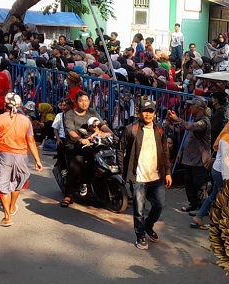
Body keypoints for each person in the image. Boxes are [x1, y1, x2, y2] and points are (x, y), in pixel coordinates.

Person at [117, 99, 172, 250]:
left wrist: (167, 172)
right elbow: (120, 149)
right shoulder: (131, 129)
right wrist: (124, 171)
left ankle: (148, 226)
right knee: (139, 209)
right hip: (138, 177)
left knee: (159, 204)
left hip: (156, 177)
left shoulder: (159, 130)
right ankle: (140, 235)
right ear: (139, 112)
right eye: (144, 111)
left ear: (154, 114)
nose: (147, 114)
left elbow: (165, 153)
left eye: (150, 111)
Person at [0, 93, 42, 227]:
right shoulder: (26, 120)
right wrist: (37, 160)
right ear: (18, 105)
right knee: (17, 181)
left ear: (4, 104)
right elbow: (31, 141)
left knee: (2, 184)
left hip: (4, 155)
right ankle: (12, 207)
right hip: (22, 156)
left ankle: (7, 217)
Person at [191, 115, 229, 229]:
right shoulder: (227, 140)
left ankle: (199, 217)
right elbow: (225, 163)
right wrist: (227, 181)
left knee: (215, 195)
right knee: (227, 197)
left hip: (223, 171)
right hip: (223, 172)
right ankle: (224, 223)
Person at [61, 91, 113, 207]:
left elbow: (102, 125)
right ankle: (68, 195)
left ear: (89, 101)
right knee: (76, 166)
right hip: (75, 146)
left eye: (86, 100)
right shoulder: (70, 114)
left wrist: (111, 133)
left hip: (93, 144)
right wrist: (80, 139)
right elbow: (71, 131)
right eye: (81, 101)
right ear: (76, 102)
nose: (84, 103)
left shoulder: (92, 112)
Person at [167, 96, 211, 212]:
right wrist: (181, 152)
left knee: (200, 184)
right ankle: (193, 204)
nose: (190, 107)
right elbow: (188, 137)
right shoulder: (194, 119)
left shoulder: (204, 122)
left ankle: (202, 209)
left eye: (192, 105)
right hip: (189, 158)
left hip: (199, 160)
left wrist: (177, 119)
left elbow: (190, 127)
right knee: (189, 182)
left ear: (198, 107)